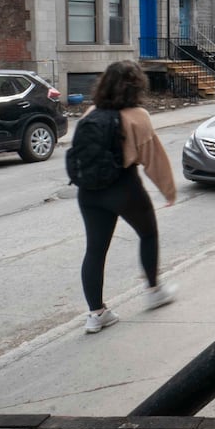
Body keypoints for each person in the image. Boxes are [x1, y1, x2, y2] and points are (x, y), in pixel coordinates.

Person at [76, 60, 178, 333]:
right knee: (148, 234)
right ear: (137, 85)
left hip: (89, 191)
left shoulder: (91, 112)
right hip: (124, 187)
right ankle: (154, 290)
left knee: (95, 250)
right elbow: (153, 159)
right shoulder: (138, 116)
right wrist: (168, 191)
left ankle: (96, 314)